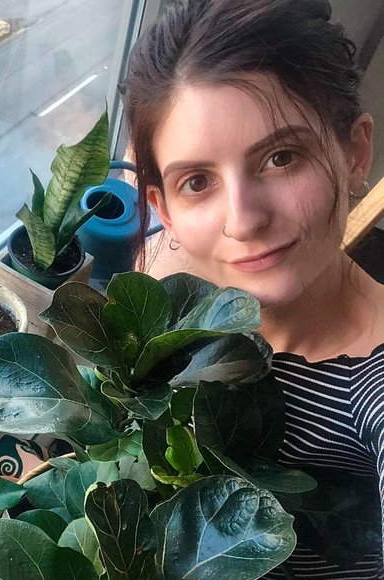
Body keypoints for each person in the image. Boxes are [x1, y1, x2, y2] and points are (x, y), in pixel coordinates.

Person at [123, 0, 384, 577]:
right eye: (198, 181)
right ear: (164, 209)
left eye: (281, 157)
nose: (242, 222)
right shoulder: (165, 267)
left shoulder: (369, 388)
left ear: (354, 153)